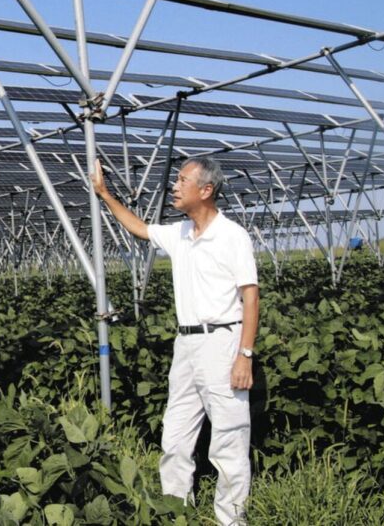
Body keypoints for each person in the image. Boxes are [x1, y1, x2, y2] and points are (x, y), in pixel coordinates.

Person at [90, 156, 259, 526]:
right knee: (176, 434)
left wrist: (244, 355)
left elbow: (251, 297)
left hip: (222, 342)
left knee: (229, 439)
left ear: (206, 190)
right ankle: (175, 511)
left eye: (183, 181)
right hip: (186, 344)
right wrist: (105, 194)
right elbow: (139, 228)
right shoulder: (180, 233)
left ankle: (232, 520)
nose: (175, 186)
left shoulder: (232, 236)